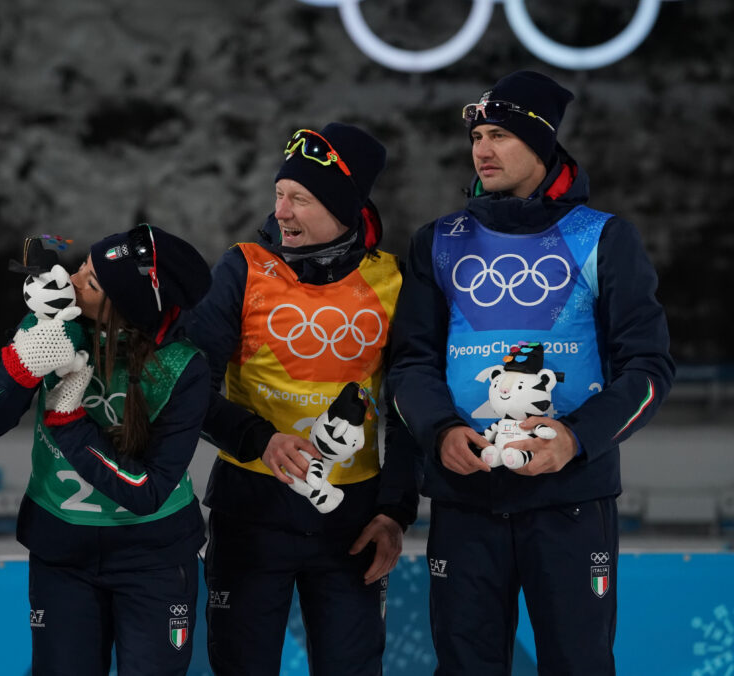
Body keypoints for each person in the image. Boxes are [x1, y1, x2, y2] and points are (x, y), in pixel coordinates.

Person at [386, 70, 675, 674]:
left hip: (571, 503)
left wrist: (575, 438)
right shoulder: (438, 241)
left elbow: (648, 369)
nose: (482, 150)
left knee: (578, 664)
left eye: (499, 135)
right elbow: (409, 363)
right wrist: (440, 432)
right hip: (466, 500)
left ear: (541, 143)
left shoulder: (603, 238)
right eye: (476, 136)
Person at [186, 122, 421, 675]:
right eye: (279, 195)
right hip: (251, 512)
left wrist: (394, 512)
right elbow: (189, 386)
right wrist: (260, 440)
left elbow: (409, 411)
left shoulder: (391, 280)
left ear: (345, 208)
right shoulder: (243, 267)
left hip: (351, 521)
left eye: (301, 198)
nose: (282, 212)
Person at [0, 225, 213, 675]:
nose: (72, 280)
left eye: (93, 282)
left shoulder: (183, 367)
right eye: (83, 266)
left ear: (130, 309)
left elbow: (149, 490)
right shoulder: (51, 323)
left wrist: (70, 424)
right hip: (62, 552)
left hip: (154, 558)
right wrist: (18, 368)